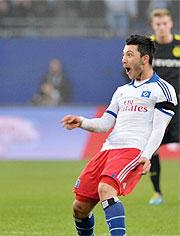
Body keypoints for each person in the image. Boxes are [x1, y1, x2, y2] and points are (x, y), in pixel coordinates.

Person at [61, 34, 177, 236]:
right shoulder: (121, 91)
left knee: (106, 189)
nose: (124, 59)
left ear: (145, 59)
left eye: (129, 55)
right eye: (123, 55)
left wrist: (146, 155)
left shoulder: (163, 90)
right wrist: (82, 121)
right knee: (79, 208)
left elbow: (159, 128)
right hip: (108, 150)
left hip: (133, 150)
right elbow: (105, 124)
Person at [148, 8, 180, 205]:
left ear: (171, 24)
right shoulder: (147, 46)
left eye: (164, 23)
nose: (161, 27)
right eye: (158, 24)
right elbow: (131, 70)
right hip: (156, 105)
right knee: (153, 149)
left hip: (179, 104)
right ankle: (157, 193)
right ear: (153, 26)